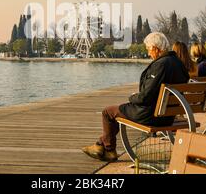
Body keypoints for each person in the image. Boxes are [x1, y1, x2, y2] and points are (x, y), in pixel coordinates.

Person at [81, 32, 190, 162]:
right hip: (167, 116)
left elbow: (145, 97)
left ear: (156, 48)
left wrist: (132, 97)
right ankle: (100, 144)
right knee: (118, 111)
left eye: (149, 49)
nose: (149, 53)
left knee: (108, 112)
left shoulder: (161, 65)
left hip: (151, 116)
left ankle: (108, 150)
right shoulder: (178, 63)